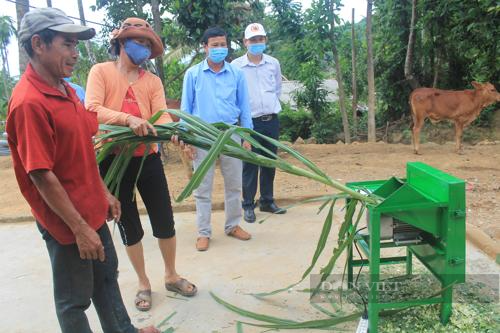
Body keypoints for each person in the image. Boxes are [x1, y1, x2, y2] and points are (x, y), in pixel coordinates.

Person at [6, 8, 158, 333]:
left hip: (90, 210)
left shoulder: (65, 90)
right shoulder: (30, 102)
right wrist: (79, 229)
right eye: (68, 44)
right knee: (74, 300)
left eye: (76, 46)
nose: (76, 54)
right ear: (39, 44)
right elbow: (41, 174)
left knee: (106, 279)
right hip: (66, 223)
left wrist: (103, 193)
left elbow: (81, 149)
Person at [85, 17, 197, 312]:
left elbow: (159, 115)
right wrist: (128, 119)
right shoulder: (101, 72)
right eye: (139, 42)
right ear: (122, 43)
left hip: (147, 157)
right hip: (113, 159)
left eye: (148, 44)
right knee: (128, 224)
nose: (144, 48)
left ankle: (171, 275)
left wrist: (171, 131)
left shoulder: (152, 81)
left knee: (164, 219)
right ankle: (143, 283)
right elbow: (92, 110)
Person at [181, 27, 253, 251]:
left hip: (231, 134)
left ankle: (233, 225)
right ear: (205, 47)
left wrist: (247, 135)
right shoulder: (193, 74)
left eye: (223, 44)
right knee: (203, 188)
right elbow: (186, 108)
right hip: (202, 136)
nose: (220, 49)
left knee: (234, 184)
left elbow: (244, 107)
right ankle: (204, 232)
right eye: (215, 45)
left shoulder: (236, 74)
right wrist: (187, 138)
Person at [232, 23, 287, 223]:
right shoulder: (236, 66)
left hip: (271, 120)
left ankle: (267, 200)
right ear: (245, 42)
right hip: (249, 123)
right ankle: (248, 205)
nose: (257, 43)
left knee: (269, 161)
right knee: (249, 164)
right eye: (253, 40)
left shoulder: (273, 63)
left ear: (265, 40)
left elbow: (278, 88)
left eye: (260, 39)